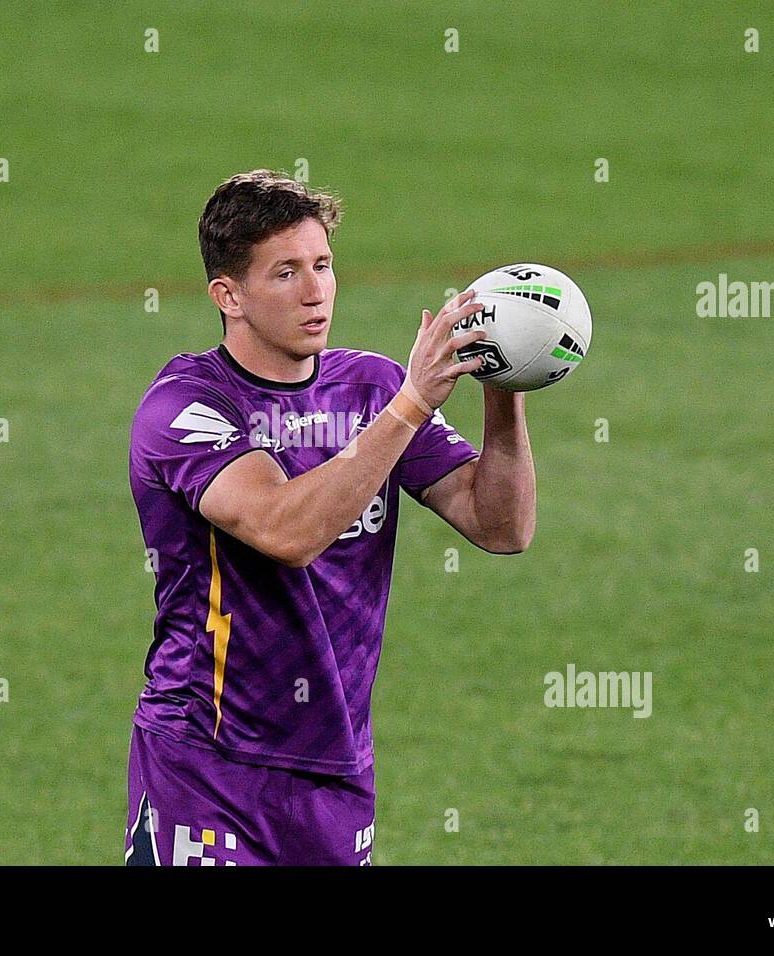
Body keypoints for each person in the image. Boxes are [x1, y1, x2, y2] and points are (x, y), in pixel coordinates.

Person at [125, 170, 536, 865]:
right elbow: (287, 532)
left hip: (334, 767)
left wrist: (506, 383)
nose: (315, 290)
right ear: (228, 295)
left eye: (322, 265)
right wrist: (412, 405)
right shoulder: (184, 408)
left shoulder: (370, 386)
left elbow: (500, 525)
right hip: (208, 765)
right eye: (285, 272)